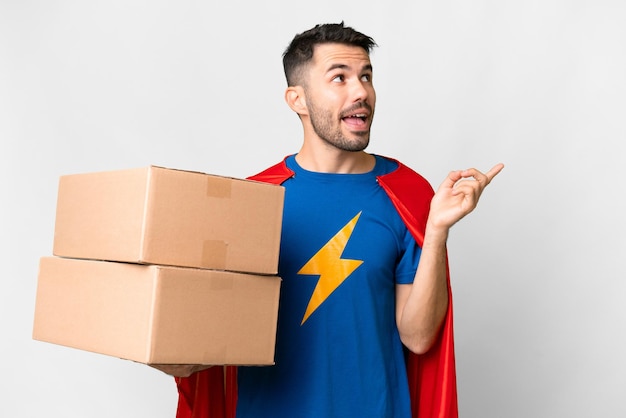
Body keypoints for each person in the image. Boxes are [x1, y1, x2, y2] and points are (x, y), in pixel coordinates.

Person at [171, 22, 504, 418]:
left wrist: (436, 232)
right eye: (339, 78)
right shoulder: (251, 201)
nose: (360, 91)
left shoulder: (407, 194)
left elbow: (417, 338)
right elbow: (207, 336)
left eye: (366, 76)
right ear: (298, 99)